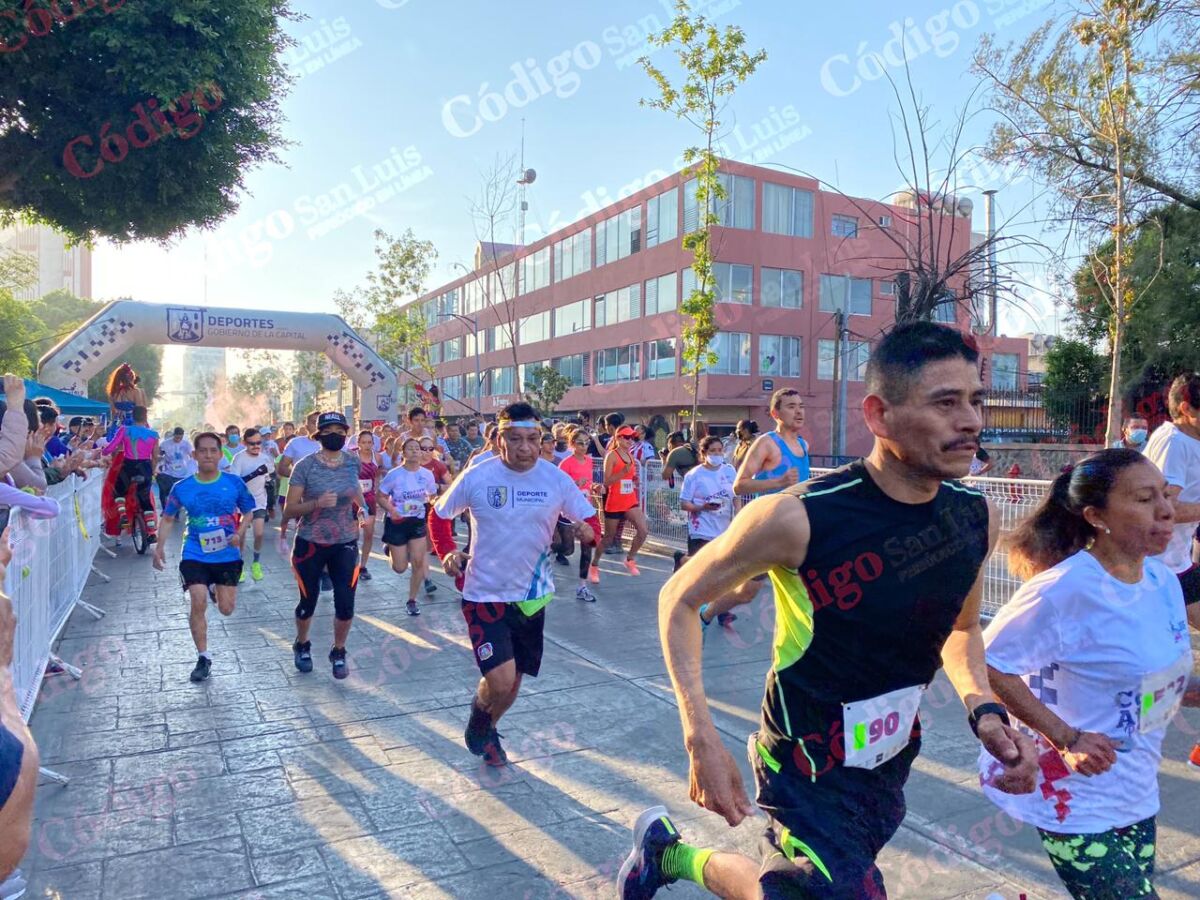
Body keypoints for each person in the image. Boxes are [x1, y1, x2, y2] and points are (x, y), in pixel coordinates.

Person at [618, 322, 1038, 900]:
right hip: (802, 763)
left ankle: (668, 855)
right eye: (946, 403)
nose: (971, 421)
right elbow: (679, 598)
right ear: (878, 415)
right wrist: (700, 738)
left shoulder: (974, 516)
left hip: (889, 757)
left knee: (795, 892)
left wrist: (985, 711)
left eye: (975, 401)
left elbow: (962, 629)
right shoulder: (798, 518)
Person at [979, 449, 1199, 899]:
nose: (1165, 511)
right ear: (1097, 516)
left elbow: (1155, 681)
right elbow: (987, 664)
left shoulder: (1163, 583)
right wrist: (1065, 736)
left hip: (1135, 787)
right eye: (1143, 499)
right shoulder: (1064, 590)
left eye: (1165, 495)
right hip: (1074, 797)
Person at [428, 403, 602, 766]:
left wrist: (590, 532)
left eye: (532, 439)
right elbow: (439, 515)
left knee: (513, 682)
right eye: (515, 438)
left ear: (541, 440)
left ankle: (487, 727)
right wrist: (446, 552)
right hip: (482, 595)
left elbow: (589, 520)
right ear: (499, 438)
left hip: (532, 598)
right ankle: (480, 716)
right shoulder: (478, 475)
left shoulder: (554, 479)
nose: (525, 448)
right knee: (502, 679)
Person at [152, 432, 255, 682]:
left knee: (227, 609)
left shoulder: (233, 483)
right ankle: (203, 657)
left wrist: (239, 532)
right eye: (203, 451)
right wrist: (159, 547)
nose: (208, 455)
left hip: (227, 553)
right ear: (194, 455)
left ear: (220, 455)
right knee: (197, 601)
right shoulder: (182, 487)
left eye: (213, 450)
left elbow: (249, 511)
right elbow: (167, 518)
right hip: (195, 551)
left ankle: (213, 588)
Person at [283, 412, 367, 680]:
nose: (336, 435)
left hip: (345, 542)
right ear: (318, 435)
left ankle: (339, 651)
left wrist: (363, 508)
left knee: (345, 603)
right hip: (311, 542)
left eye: (340, 431)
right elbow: (288, 510)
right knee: (309, 601)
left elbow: (355, 490)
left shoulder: (352, 461)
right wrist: (316, 504)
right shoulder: (304, 466)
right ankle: (302, 644)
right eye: (329, 430)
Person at [678, 435, 745, 630]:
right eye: (712, 451)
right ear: (703, 453)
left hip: (723, 530)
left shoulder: (729, 470)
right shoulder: (694, 475)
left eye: (719, 451)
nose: (717, 455)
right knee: (702, 574)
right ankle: (691, 606)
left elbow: (736, 497)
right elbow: (684, 503)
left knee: (722, 574)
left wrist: (738, 517)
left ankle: (721, 612)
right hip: (701, 530)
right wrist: (703, 507)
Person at [379, 438, 438, 616]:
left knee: (419, 562)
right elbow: (380, 496)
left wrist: (435, 503)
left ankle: (411, 600)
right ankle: (390, 548)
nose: (414, 451)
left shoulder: (427, 475)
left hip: (417, 521)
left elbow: (432, 495)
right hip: (397, 522)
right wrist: (392, 510)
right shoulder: (394, 475)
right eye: (410, 449)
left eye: (417, 449)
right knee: (400, 568)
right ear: (403, 453)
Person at [733, 388, 810, 499]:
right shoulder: (767, 443)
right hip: (770, 514)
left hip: (796, 514)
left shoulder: (804, 445)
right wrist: (778, 482)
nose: (799, 411)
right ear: (775, 414)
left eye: (801, 406)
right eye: (791, 407)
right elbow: (738, 486)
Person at [597, 425, 649, 579]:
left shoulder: (631, 456)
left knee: (643, 530)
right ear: (618, 438)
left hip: (629, 500)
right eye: (626, 437)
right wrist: (622, 473)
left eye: (632, 438)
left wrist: (633, 479)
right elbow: (607, 482)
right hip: (614, 501)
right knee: (608, 537)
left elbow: (628, 477)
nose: (629, 440)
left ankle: (630, 559)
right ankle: (594, 563)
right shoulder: (611, 456)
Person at [102, 405, 159, 539]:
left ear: (132, 417)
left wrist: (102, 452)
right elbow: (155, 456)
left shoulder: (125, 430)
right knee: (145, 500)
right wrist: (153, 470)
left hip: (128, 466)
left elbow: (111, 447)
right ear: (146, 417)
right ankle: (151, 532)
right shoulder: (154, 434)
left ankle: (123, 515)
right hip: (145, 467)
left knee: (119, 491)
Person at [557, 428, 599, 601]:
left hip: (585, 510)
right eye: (580, 443)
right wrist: (574, 483)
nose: (584, 446)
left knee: (588, 546)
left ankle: (582, 586)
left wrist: (596, 488)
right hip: (567, 512)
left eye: (587, 442)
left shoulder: (589, 461)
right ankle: (549, 550)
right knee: (568, 548)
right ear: (572, 444)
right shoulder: (565, 464)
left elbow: (589, 485)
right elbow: (558, 489)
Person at [228, 428, 274, 583]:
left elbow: (269, 479)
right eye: (252, 443)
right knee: (240, 535)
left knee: (259, 533)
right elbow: (236, 483)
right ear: (244, 443)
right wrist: (255, 473)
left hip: (260, 501)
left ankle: (256, 562)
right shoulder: (238, 459)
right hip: (242, 502)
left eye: (258, 443)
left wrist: (271, 502)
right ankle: (239, 565)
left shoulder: (266, 458)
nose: (256, 446)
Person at [353, 430, 381, 582]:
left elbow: (377, 476)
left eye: (369, 442)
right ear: (358, 443)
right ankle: (353, 564)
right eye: (363, 442)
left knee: (368, 533)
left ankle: (363, 566)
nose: (366, 445)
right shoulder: (352, 457)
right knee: (353, 535)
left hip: (369, 498)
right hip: (353, 500)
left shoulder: (377, 457)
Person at [157, 427, 193, 510]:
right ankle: (164, 509)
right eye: (177, 437)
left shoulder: (186, 444)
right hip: (168, 471)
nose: (178, 439)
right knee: (164, 491)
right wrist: (160, 459)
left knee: (177, 493)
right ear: (174, 435)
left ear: (183, 436)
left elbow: (192, 455)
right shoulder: (165, 444)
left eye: (180, 438)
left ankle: (176, 511)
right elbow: (159, 454)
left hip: (182, 473)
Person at [106, 363, 146, 428]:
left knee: (116, 437)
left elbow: (113, 412)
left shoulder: (113, 393)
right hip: (134, 424)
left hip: (118, 425)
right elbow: (140, 410)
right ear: (132, 377)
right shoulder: (136, 391)